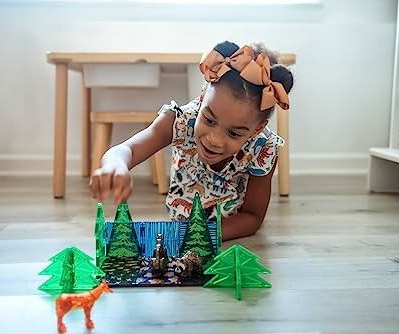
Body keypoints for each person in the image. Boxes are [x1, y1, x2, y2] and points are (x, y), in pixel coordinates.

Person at [90, 40, 294, 241]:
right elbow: (127, 149)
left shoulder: (263, 149)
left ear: (257, 129)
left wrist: (201, 236)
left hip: (231, 239)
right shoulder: (179, 119)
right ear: (203, 95)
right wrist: (115, 165)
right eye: (209, 119)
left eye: (233, 133)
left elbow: (252, 218)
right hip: (179, 228)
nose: (214, 139)